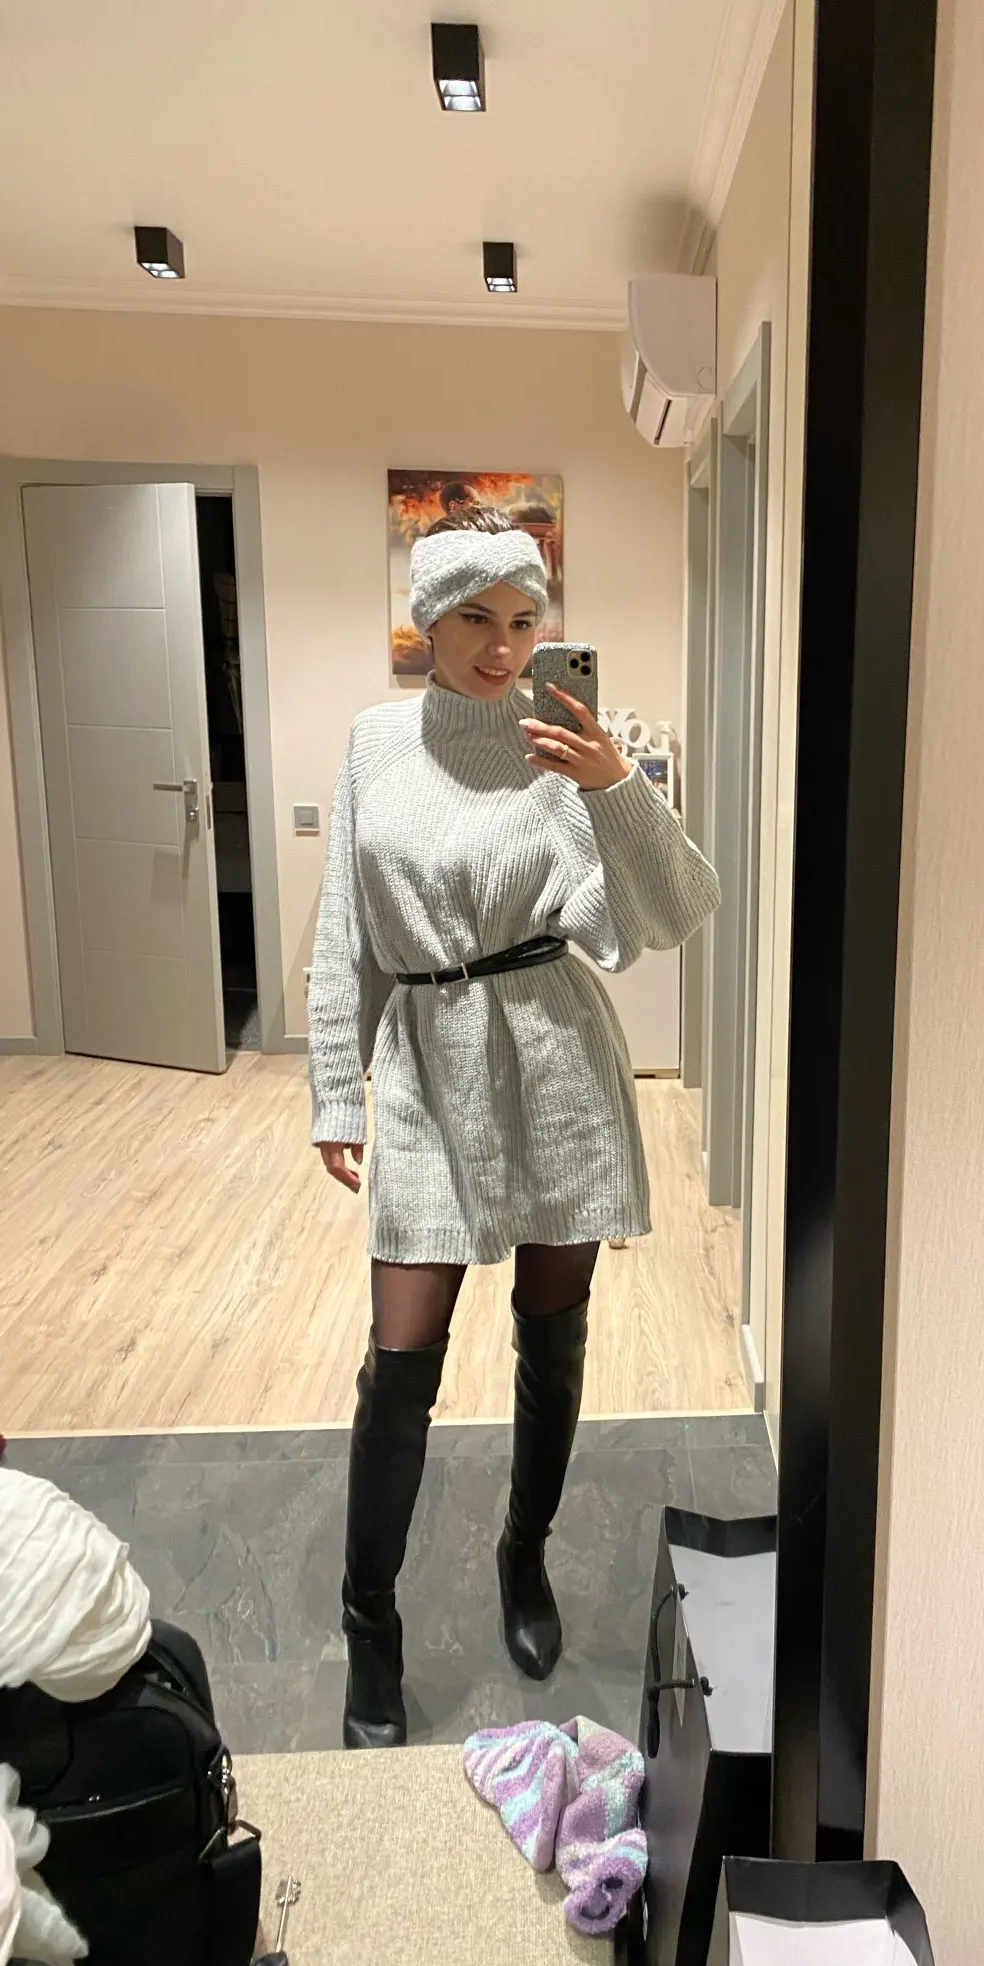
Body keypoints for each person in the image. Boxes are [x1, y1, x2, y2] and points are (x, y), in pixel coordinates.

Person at [308, 511, 719, 1750]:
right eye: (476, 618)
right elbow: (346, 930)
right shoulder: (376, 742)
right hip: (426, 1063)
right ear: (428, 622)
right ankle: (370, 1622)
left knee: (553, 1331)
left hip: (553, 1061)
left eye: (524, 619)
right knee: (401, 1359)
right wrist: (337, 1088)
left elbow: (672, 910)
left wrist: (615, 786)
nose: (501, 646)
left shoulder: (565, 747)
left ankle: (522, 1552)